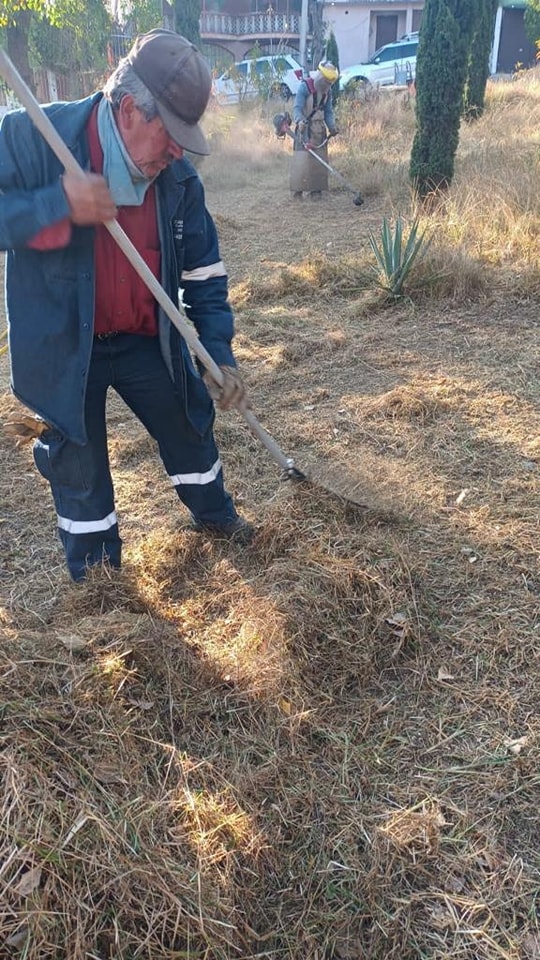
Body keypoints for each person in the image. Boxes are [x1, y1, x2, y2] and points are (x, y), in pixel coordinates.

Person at [0, 28, 254, 583]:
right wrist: (57, 203)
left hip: (143, 338)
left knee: (190, 425)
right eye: (172, 133)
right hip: (64, 346)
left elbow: (204, 275)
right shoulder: (35, 138)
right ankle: (99, 582)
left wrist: (216, 352)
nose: (180, 151)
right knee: (82, 476)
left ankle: (216, 519)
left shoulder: (176, 178)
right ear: (129, 109)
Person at [290, 60, 339, 200]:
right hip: (304, 128)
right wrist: (299, 121)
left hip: (319, 130)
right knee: (302, 160)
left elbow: (328, 112)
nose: (328, 86)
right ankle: (297, 191)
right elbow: (297, 108)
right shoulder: (305, 87)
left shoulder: (327, 92)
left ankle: (316, 190)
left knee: (319, 160)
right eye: (327, 82)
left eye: (331, 83)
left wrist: (332, 127)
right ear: (321, 77)